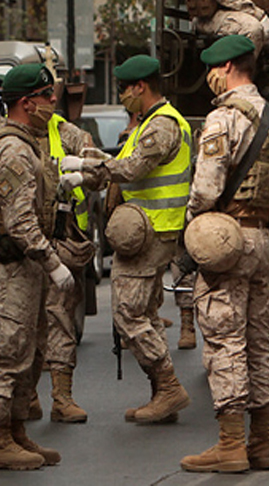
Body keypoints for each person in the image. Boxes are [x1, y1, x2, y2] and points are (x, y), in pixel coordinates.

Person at [180, 34, 269, 473]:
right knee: (261, 340)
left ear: (226, 68)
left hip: (227, 239)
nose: (210, 77)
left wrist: (194, 227)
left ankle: (230, 445)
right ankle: (263, 443)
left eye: (213, 68)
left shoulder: (223, 118)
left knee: (225, 340)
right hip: (264, 239)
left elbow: (207, 187)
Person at [65, 54, 192, 424]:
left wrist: (88, 167)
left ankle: (168, 387)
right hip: (148, 229)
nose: (122, 96)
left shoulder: (163, 125)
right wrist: (93, 164)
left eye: (124, 89)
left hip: (149, 232)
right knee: (147, 314)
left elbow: (133, 168)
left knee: (128, 314)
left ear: (140, 87)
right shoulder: (149, 123)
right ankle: (160, 395)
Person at [0, 63, 74, 470]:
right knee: (6, 352)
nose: (54, 101)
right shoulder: (12, 149)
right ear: (27, 103)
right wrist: (53, 263)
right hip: (10, 266)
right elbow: (20, 222)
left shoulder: (28, 142)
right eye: (47, 96)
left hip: (24, 266)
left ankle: (15, 433)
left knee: (28, 354)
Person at [38, 104, 106, 423]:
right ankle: (21, 399)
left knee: (60, 318)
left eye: (45, 96)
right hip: (13, 247)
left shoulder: (67, 134)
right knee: (16, 326)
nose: (40, 104)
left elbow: (100, 170)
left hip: (60, 240)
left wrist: (80, 173)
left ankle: (61, 396)